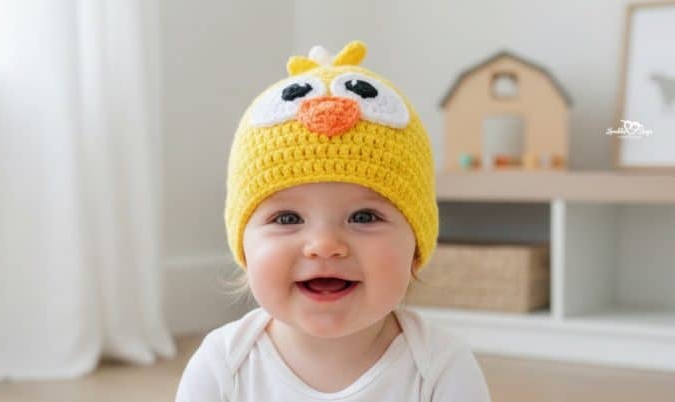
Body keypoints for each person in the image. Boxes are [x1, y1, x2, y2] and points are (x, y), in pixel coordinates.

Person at [174, 40, 492, 402]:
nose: (324, 245)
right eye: (288, 218)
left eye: (364, 217)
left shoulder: (440, 366)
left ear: (416, 246)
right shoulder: (223, 365)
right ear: (244, 246)